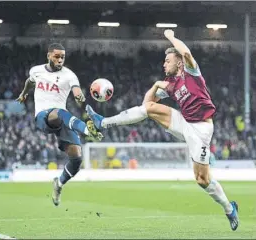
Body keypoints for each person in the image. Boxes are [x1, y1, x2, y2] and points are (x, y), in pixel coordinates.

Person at [86, 30, 239, 231]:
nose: (163, 64)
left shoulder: (192, 74)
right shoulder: (171, 85)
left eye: (168, 60)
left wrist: (170, 37)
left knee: (202, 179)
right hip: (184, 122)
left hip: (201, 129)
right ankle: (102, 122)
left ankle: (229, 209)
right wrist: (157, 84)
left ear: (179, 63)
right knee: (149, 109)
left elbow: (187, 53)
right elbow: (146, 104)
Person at [16, 43, 102, 206]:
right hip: (43, 116)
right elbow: (29, 81)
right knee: (60, 113)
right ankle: (87, 130)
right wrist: (23, 94)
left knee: (76, 159)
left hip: (61, 119)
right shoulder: (36, 71)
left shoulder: (69, 75)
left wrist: (79, 97)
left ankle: (59, 184)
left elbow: (76, 90)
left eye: (62, 57)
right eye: (57, 56)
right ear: (48, 55)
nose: (60, 60)